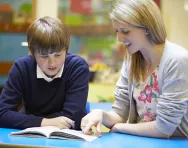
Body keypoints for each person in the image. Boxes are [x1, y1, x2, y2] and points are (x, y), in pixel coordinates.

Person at [81, 0, 188, 138]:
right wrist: (101, 114)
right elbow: (120, 113)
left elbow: (163, 128)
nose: (119, 38)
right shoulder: (132, 60)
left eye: (125, 31)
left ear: (147, 28)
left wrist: (120, 127)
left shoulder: (177, 60)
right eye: (117, 31)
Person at [0, 16, 89, 130]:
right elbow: (2, 113)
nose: (52, 63)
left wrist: (26, 120)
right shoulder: (22, 68)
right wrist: (45, 122)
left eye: (58, 55)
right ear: (31, 53)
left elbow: (73, 118)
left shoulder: (77, 67)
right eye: (44, 56)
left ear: (66, 50)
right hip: (31, 136)